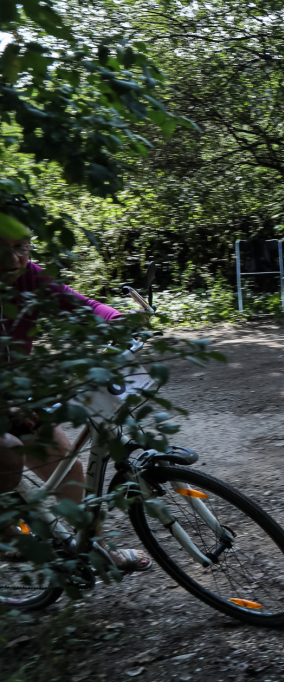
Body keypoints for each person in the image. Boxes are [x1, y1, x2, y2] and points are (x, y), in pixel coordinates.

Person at [0, 233, 151, 571]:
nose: (13, 261)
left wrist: (116, 320)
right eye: (1, 249)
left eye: (20, 248)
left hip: (15, 391)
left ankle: (96, 548)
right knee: (7, 452)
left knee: (69, 467)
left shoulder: (30, 275)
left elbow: (76, 302)